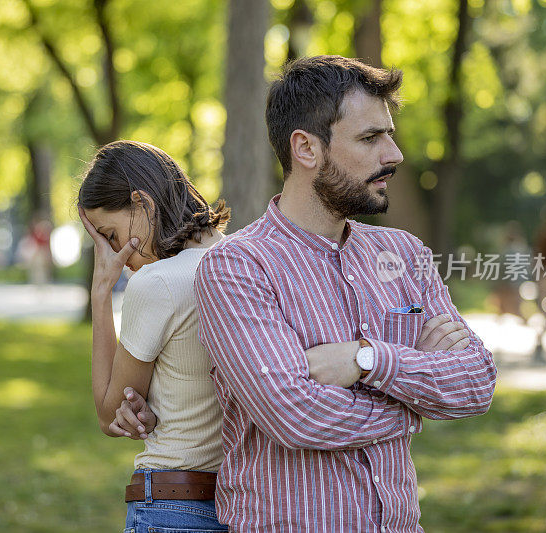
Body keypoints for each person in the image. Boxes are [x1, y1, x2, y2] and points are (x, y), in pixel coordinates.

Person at [193, 56, 497, 532]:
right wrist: (413, 408)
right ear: (306, 148)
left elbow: (476, 383)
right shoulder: (239, 268)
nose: (394, 154)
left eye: (389, 135)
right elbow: (294, 416)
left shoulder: (404, 253)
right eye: (371, 138)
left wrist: (369, 360)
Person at [77, 140, 230, 532]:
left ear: (143, 204)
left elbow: (110, 414)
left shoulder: (157, 283)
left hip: (170, 506)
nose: (115, 254)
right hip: (241, 504)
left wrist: (100, 293)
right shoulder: (241, 261)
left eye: (111, 235)